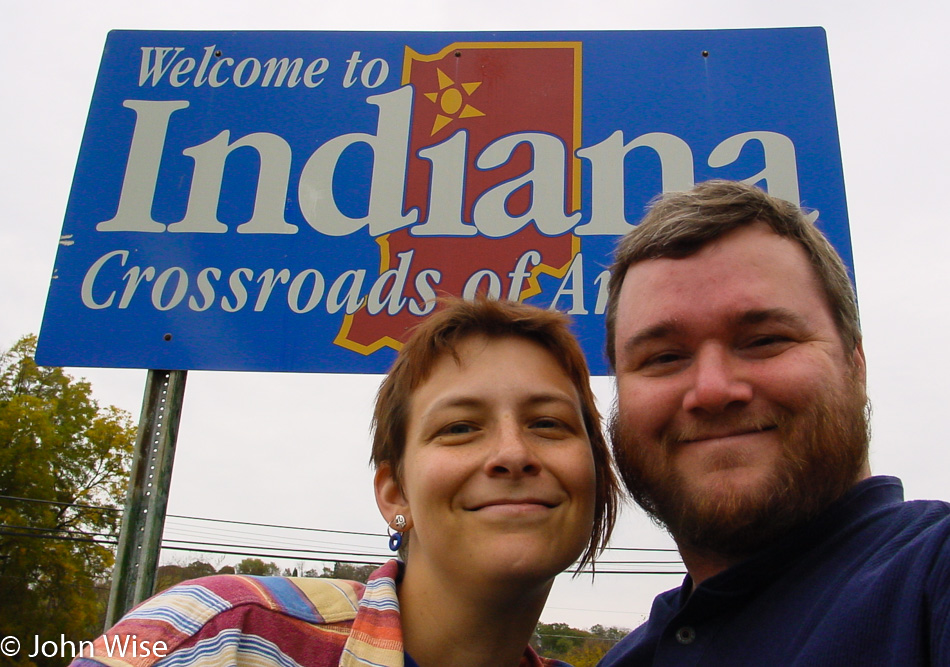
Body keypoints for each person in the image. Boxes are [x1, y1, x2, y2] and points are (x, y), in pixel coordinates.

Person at [71, 298, 618, 667]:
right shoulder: (222, 636)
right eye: (458, 428)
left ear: (594, 476)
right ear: (394, 493)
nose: (512, 454)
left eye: (548, 423)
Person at [598, 180, 950, 666]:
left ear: (856, 363)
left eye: (765, 340)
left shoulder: (934, 575)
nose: (714, 390)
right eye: (664, 357)